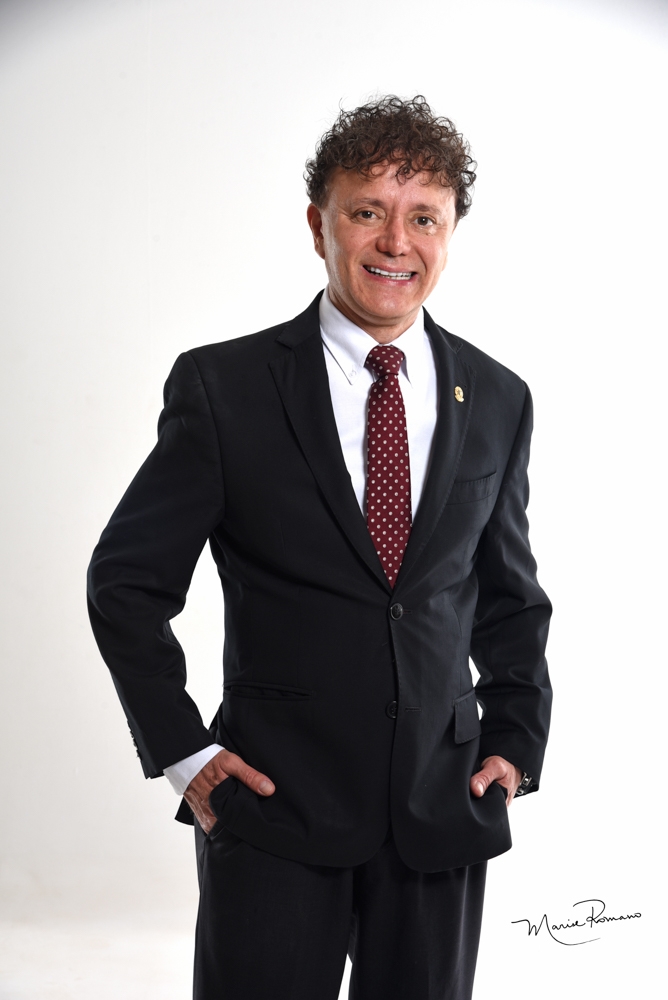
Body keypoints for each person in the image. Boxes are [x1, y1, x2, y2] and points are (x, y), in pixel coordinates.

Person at [87, 95, 552, 1000]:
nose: (396, 242)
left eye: (424, 217)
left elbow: (512, 596)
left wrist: (517, 740)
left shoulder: (498, 397)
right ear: (319, 225)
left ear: (451, 232)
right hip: (272, 804)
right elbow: (126, 584)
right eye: (367, 211)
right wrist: (185, 754)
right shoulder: (224, 387)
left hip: (442, 803)